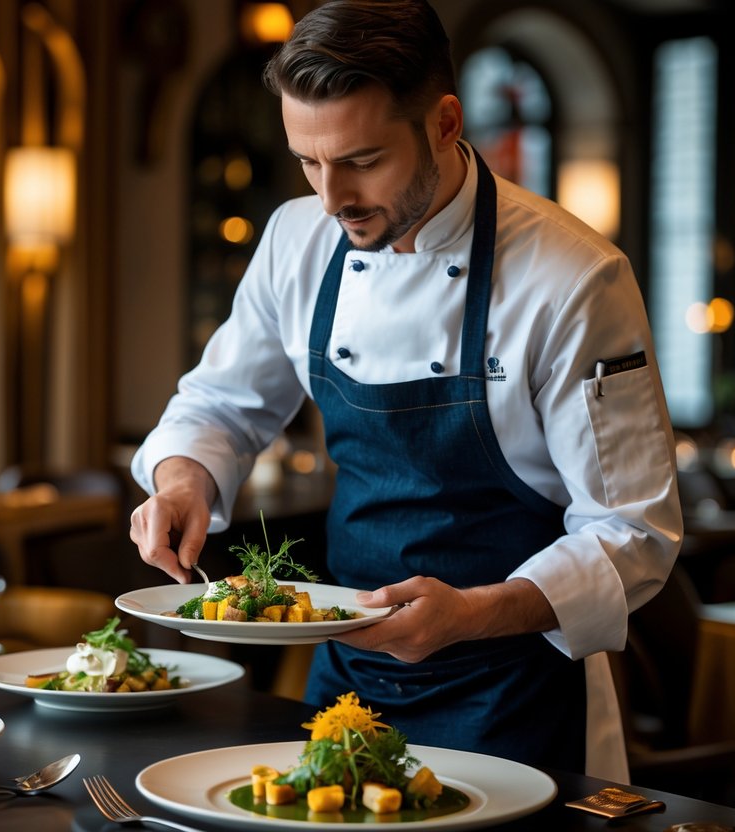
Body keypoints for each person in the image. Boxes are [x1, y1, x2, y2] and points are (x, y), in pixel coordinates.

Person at [129, 0, 681, 778]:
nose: (331, 198)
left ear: (446, 122)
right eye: (308, 162)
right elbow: (220, 402)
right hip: (347, 678)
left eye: (360, 160)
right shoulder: (297, 239)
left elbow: (633, 534)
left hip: (514, 689)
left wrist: (470, 615)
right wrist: (181, 478)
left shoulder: (573, 278)